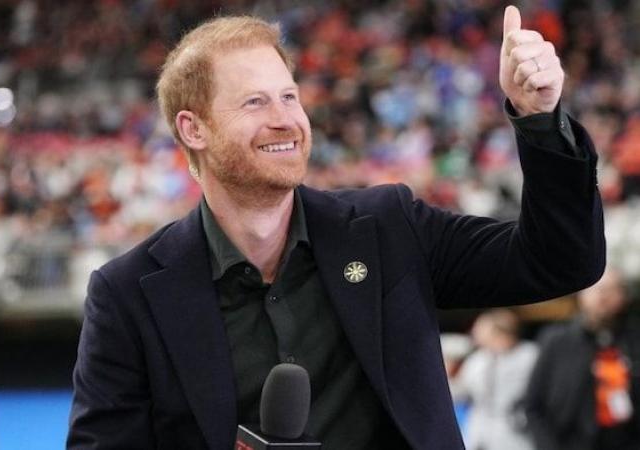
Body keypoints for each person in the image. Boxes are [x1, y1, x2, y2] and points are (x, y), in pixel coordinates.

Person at [67, 5, 605, 449]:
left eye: (289, 96)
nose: (285, 119)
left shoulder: (388, 227)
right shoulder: (127, 295)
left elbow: (560, 260)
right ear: (194, 128)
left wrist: (540, 120)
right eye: (255, 102)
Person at [525, 268, 640, 450]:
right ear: (581, 295)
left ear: (624, 296)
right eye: (596, 289)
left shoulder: (633, 341)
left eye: (611, 290)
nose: (602, 298)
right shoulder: (557, 341)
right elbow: (532, 405)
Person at [453, 309, 538, 450]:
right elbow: (461, 391)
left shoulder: (530, 356)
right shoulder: (477, 360)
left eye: (481, 328)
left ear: (499, 332)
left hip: (517, 435)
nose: (475, 333)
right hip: (480, 436)